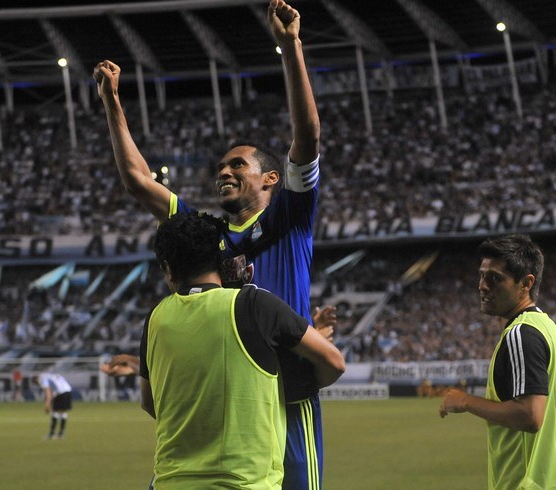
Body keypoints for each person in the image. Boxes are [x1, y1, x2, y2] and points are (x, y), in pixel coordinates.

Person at [95, 1, 329, 488]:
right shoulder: (206, 235)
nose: (223, 171)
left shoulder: (289, 215)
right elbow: (138, 180)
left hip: (286, 391)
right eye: (220, 168)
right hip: (234, 402)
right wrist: (113, 105)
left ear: (270, 178)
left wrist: (290, 47)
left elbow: (306, 137)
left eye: (236, 166)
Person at [139, 212, 344, 488]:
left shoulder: (155, 318)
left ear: (168, 268)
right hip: (245, 482)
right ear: (218, 259)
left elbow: (149, 401)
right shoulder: (254, 304)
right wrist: (288, 388)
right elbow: (334, 362)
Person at [439, 234, 556, 489]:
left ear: (526, 283)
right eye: (482, 276)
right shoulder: (547, 328)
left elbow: (530, 415)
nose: (483, 286)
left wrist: (465, 401)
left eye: (495, 278)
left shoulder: (522, 333)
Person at [34, 372, 73, 439]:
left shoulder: (42, 379)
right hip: (68, 390)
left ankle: (52, 434)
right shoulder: (50, 375)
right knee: (63, 412)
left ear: (37, 379)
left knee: (55, 412)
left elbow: (48, 394)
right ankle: (61, 433)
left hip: (60, 393)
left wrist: (47, 406)